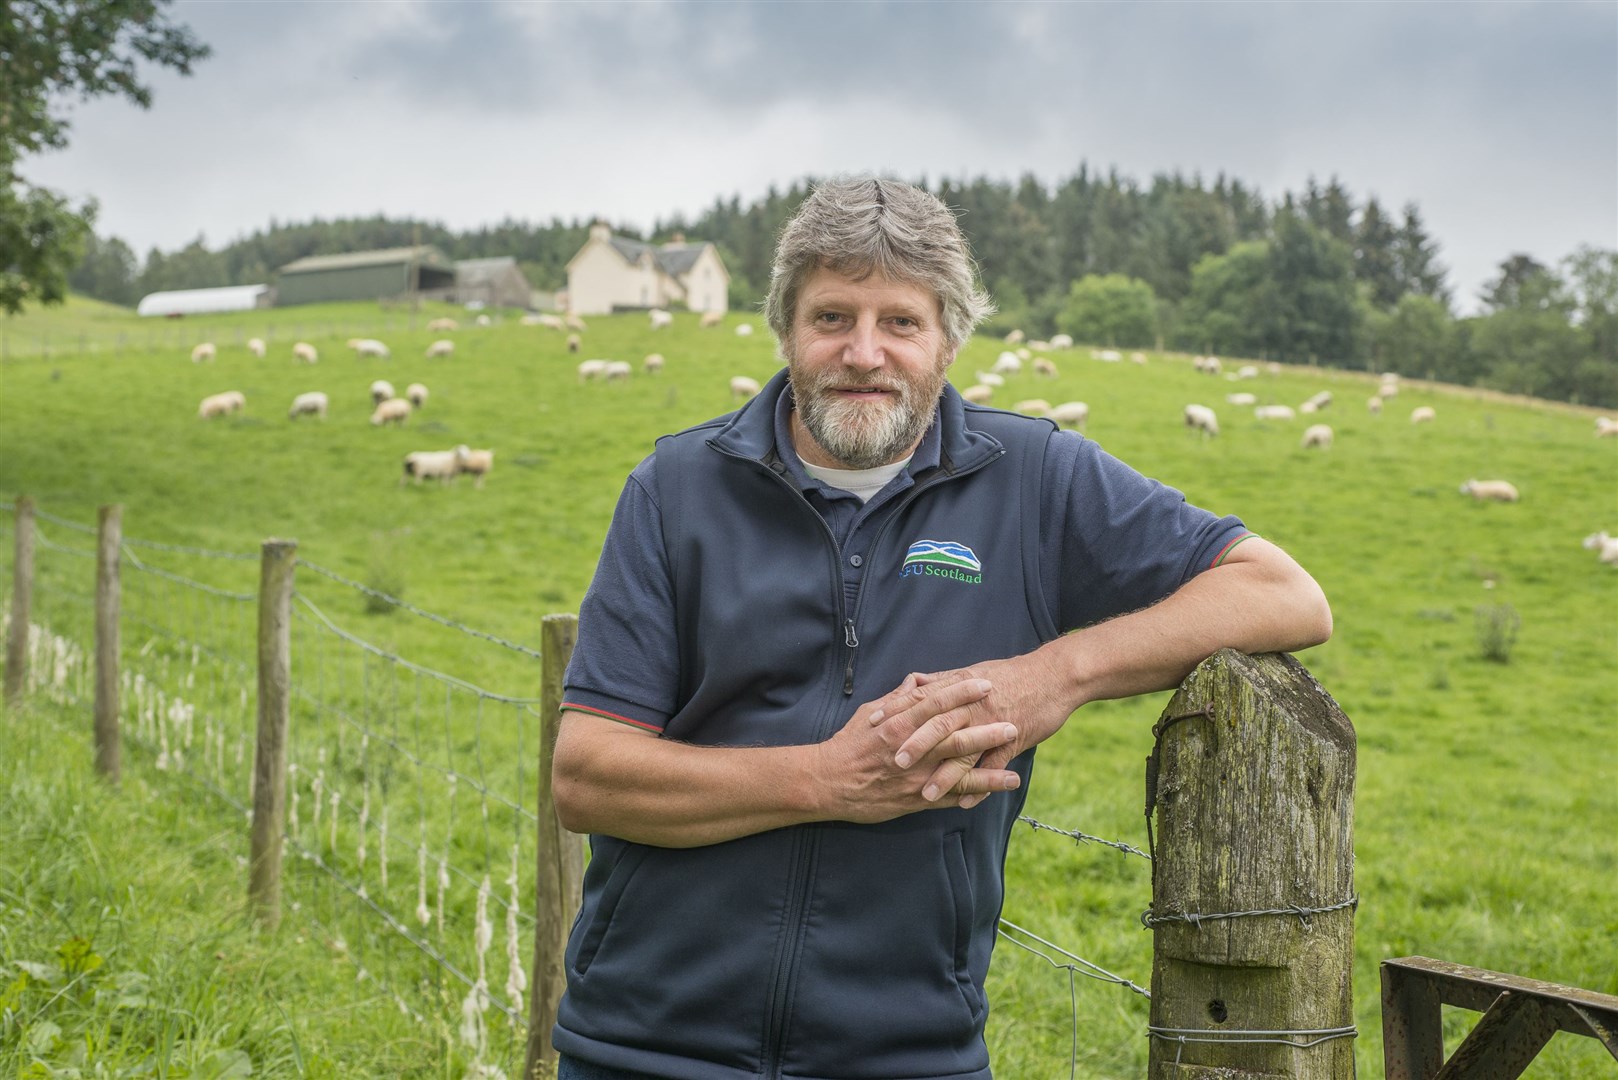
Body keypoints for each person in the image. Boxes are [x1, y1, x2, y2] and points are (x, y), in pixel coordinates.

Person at [550, 176, 1332, 1080]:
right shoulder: (676, 488)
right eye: (832, 317)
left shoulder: (1035, 479)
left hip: (908, 1051)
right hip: (645, 1047)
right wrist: (824, 779)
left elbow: (1282, 594)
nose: (864, 352)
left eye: (902, 323)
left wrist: (1055, 674)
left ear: (950, 341)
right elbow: (588, 778)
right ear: (787, 332)